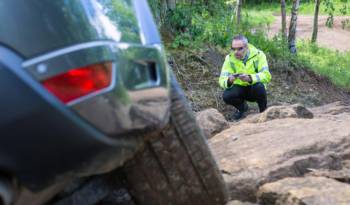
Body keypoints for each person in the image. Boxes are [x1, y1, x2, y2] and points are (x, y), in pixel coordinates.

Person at [219, 35, 271, 120]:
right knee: (227, 96)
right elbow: (222, 80)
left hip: (254, 89)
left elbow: (267, 75)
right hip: (239, 89)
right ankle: (242, 108)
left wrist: (250, 78)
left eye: (240, 49)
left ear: (246, 47)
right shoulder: (229, 58)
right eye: (233, 49)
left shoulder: (259, 55)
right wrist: (229, 80)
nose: (236, 52)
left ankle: (263, 111)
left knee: (259, 87)